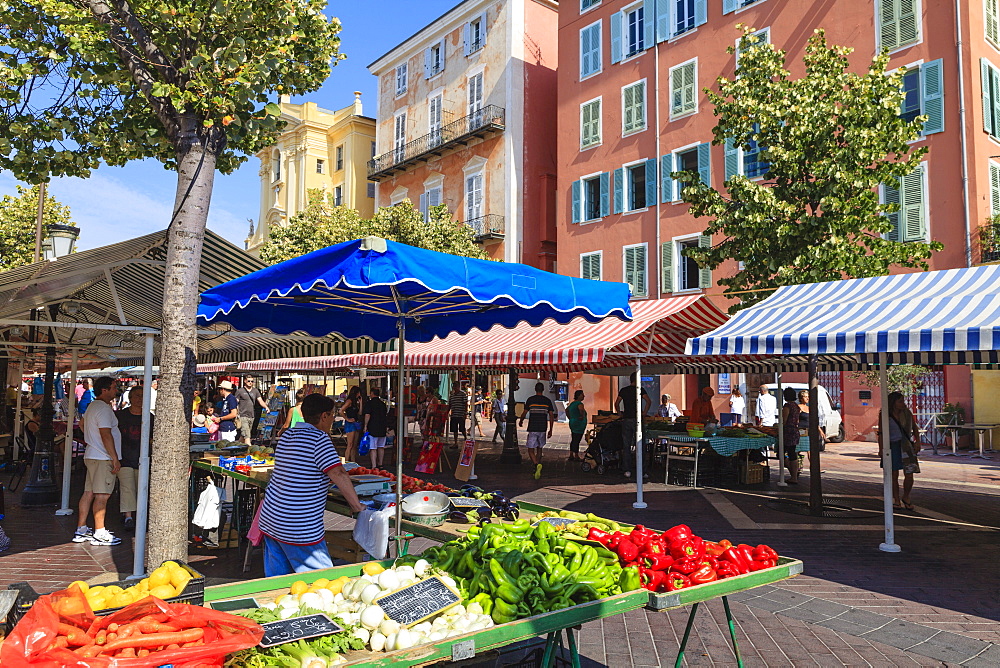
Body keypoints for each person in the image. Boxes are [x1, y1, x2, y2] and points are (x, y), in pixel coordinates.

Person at [258, 393, 366, 576]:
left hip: (270, 519)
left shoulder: (287, 435)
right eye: (332, 415)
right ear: (324, 416)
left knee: (276, 584)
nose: (333, 419)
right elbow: (338, 473)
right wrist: (357, 506)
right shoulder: (319, 439)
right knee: (321, 583)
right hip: (297, 525)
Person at [73, 376, 122, 546]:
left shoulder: (92, 406)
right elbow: (106, 434)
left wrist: (91, 438)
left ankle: (81, 529)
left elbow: (81, 424)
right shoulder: (104, 409)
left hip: (92, 454)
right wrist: (114, 457)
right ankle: (99, 532)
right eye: (114, 387)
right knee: (102, 495)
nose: (116, 390)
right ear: (105, 390)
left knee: (89, 492)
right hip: (103, 457)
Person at [115, 385, 152, 531]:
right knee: (127, 487)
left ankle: (139, 515)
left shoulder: (149, 417)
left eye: (143, 396)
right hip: (123, 458)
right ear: (130, 398)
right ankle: (128, 517)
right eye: (137, 396)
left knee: (140, 488)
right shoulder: (120, 416)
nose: (140, 399)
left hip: (142, 459)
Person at [878, 392, 920, 510]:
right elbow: (881, 433)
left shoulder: (907, 413)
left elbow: (914, 428)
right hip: (892, 446)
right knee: (893, 474)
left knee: (909, 472)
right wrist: (881, 448)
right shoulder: (885, 415)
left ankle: (906, 496)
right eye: (900, 401)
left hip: (906, 445)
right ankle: (896, 499)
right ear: (893, 403)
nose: (903, 404)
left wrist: (917, 441)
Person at [615, 373, 651, 479]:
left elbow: (616, 403)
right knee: (641, 445)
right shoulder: (640, 390)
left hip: (626, 419)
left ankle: (627, 470)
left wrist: (619, 413)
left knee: (626, 445)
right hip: (638, 420)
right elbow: (648, 401)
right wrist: (644, 413)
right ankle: (642, 471)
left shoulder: (624, 390)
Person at [520, 382, 555, 479]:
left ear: (535, 389)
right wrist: (551, 429)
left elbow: (524, 412)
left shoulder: (530, 400)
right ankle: (538, 464)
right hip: (543, 428)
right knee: (539, 448)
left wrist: (521, 421)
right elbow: (551, 415)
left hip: (533, 427)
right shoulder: (547, 401)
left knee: (530, 449)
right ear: (543, 389)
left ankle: (536, 465)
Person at [235, 377, 268, 444]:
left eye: (252, 381)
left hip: (251, 415)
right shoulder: (240, 391)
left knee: (244, 434)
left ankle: (238, 446)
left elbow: (260, 400)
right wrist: (235, 412)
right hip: (242, 415)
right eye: (249, 381)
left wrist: (266, 407)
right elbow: (236, 402)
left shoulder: (255, 391)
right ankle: (249, 450)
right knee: (247, 435)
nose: (250, 382)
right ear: (245, 381)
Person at [364, 386, 389, 468]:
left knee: (373, 448)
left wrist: (365, 425)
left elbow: (367, 415)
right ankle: (380, 463)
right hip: (382, 427)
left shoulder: (369, 404)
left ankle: (374, 465)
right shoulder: (383, 404)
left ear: (372, 393)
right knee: (381, 447)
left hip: (372, 427)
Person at [781, 388, 801, 484]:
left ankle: (793, 474)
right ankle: (794, 474)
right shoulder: (796, 406)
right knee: (792, 452)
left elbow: (784, 421)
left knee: (783, 453)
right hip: (795, 431)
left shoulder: (787, 406)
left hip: (788, 432)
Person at [341, 386, 364, 462]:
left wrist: (360, 404)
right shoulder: (349, 401)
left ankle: (353, 461)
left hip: (355, 422)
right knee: (350, 444)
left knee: (354, 445)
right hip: (350, 423)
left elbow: (360, 413)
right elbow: (341, 411)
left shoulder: (355, 402)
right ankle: (347, 461)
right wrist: (347, 418)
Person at [566, 390, 588, 461]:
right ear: (578, 396)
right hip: (579, 424)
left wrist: (570, 417)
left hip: (573, 422)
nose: (583, 396)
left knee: (574, 438)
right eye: (582, 394)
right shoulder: (579, 403)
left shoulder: (572, 404)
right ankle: (576, 455)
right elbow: (581, 410)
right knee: (577, 439)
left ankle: (571, 454)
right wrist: (581, 416)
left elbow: (567, 410)